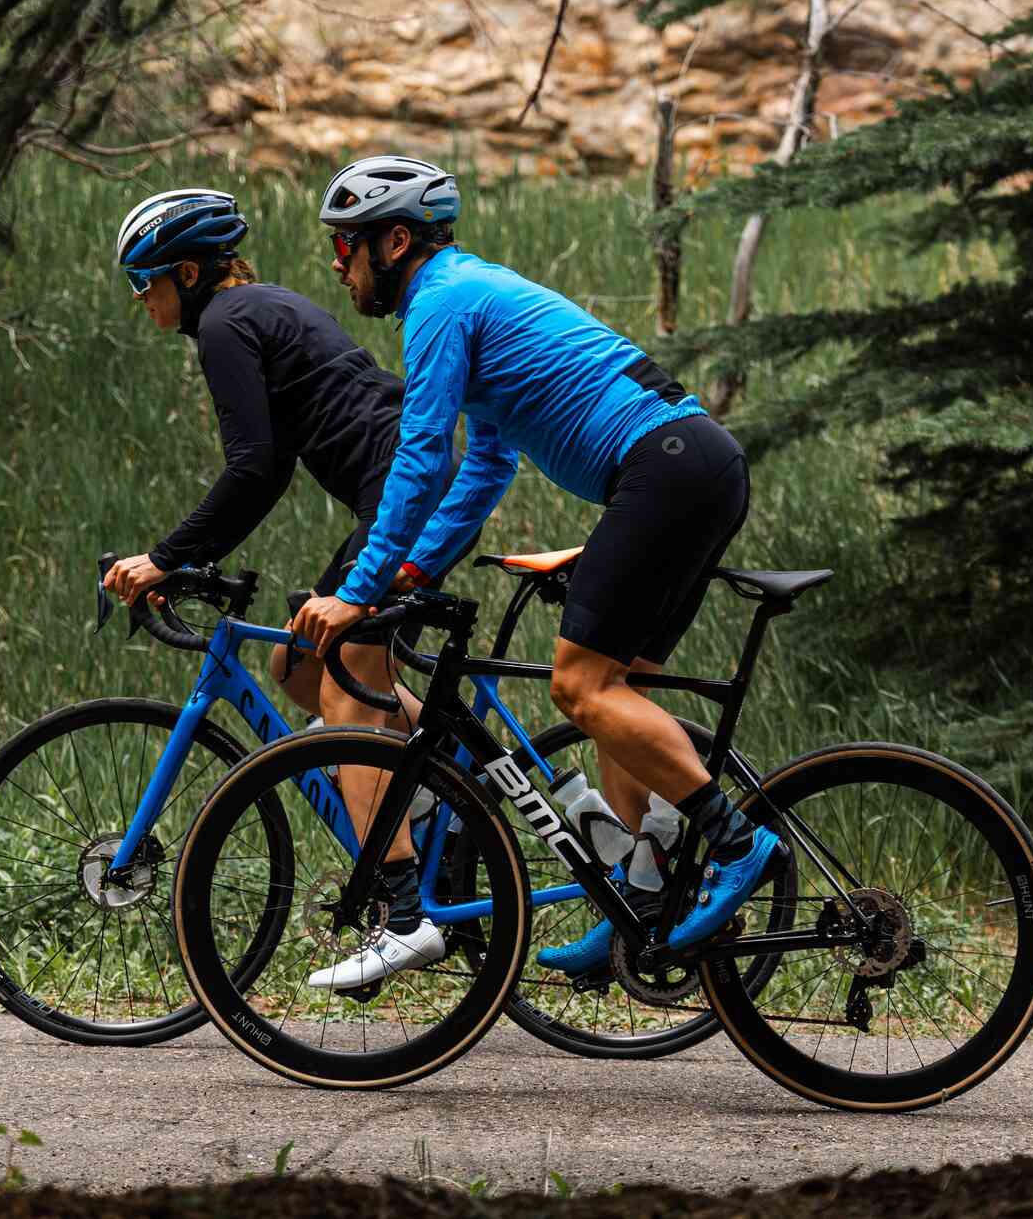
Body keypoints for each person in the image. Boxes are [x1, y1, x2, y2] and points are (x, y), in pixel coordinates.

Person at [293, 156, 782, 987]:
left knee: (579, 688)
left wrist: (358, 590)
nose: (339, 266)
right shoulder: (466, 293)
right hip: (692, 465)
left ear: (396, 240)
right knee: (617, 695)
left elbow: (419, 460)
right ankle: (644, 897)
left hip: (664, 468)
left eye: (348, 248)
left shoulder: (441, 303)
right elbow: (485, 467)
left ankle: (738, 843)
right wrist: (414, 569)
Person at [101, 186, 466, 964]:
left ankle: (404, 918)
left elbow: (255, 467)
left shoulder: (226, 325)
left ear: (188, 273)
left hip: (403, 486)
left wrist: (166, 557)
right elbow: (264, 473)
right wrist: (188, 554)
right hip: (402, 481)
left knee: (343, 695)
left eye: (146, 282)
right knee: (297, 666)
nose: (142, 300)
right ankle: (451, 804)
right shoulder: (259, 306)